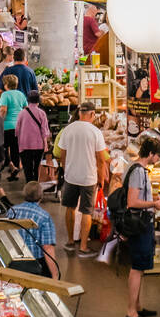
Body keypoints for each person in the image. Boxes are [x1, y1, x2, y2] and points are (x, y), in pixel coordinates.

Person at [123, 137, 160, 317]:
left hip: (141, 223)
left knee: (139, 267)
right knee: (137, 268)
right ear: (150, 154)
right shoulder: (138, 172)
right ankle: (131, 312)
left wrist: (151, 198)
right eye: (157, 156)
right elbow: (132, 202)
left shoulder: (134, 168)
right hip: (139, 224)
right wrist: (153, 203)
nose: (158, 159)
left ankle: (138, 306)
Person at [56, 101, 107, 258]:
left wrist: (66, 169)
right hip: (88, 178)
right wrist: (101, 177)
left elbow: (62, 153)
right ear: (92, 114)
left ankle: (71, 241)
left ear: (79, 113)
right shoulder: (95, 132)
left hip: (71, 176)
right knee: (86, 211)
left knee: (70, 208)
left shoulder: (68, 130)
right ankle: (83, 246)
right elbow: (100, 159)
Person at [3, 181, 58, 277]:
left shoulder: (12, 211)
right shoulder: (44, 217)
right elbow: (48, 248)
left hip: (15, 261)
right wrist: (55, 274)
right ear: (41, 196)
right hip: (35, 264)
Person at [15, 89, 51, 188]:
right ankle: (35, 187)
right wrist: (46, 145)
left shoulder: (21, 113)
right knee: (36, 167)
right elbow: (44, 130)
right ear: (38, 101)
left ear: (28, 101)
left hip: (24, 145)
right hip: (39, 145)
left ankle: (29, 187)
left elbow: (17, 130)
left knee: (27, 168)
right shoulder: (41, 113)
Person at [0, 74, 27, 180]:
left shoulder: (5, 95)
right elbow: (25, 108)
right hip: (19, 127)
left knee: (2, 147)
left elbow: (3, 109)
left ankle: (8, 168)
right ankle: (15, 172)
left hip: (7, 126)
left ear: (6, 85)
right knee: (15, 150)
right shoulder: (21, 94)